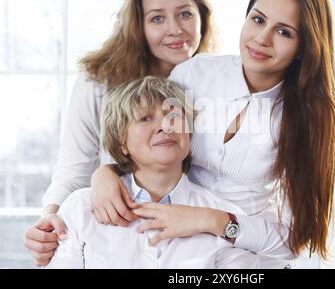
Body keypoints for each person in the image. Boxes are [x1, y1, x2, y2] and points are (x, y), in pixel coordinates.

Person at [28, 0, 335, 266]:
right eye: (257, 19)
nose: (262, 38)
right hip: (178, 245)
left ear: (304, 47)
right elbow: (151, 141)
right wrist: (106, 173)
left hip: (250, 254)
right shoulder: (194, 74)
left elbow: (298, 239)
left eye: (284, 32)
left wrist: (210, 220)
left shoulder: (305, 119)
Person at [24, 0, 217, 267]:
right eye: (157, 18)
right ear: (137, 26)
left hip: (194, 243)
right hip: (116, 239)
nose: (176, 29)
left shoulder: (217, 87)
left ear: (202, 18)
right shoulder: (98, 83)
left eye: (185, 14)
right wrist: (51, 220)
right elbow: (72, 171)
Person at [46, 77, 256, 269]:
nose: (165, 125)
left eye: (173, 115)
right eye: (145, 118)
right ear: (122, 144)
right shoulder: (81, 208)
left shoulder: (225, 217)